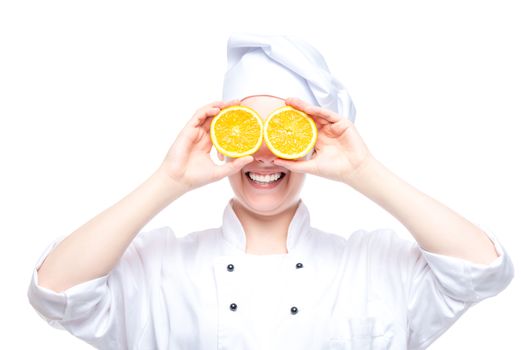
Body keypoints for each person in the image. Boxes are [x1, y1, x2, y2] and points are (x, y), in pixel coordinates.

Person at [28, 33, 513, 350]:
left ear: (313, 140)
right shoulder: (159, 267)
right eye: (244, 129)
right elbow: (55, 292)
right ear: (222, 135)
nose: (262, 153)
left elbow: (482, 270)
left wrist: (362, 169)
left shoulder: (371, 265)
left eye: (283, 132)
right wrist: (168, 181)